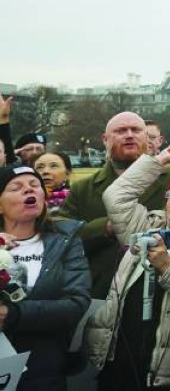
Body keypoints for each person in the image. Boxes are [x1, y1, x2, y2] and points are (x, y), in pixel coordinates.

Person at [87, 144, 170, 390]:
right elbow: (115, 197)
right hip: (119, 364)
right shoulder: (145, 229)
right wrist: (158, 161)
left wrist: (166, 266)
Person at [60, 111, 170, 298]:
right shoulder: (84, 188)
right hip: (101, 291)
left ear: (148, 138)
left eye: (136, 130)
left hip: (163, 292)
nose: (129, 135)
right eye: (121, 130)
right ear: (105, 139)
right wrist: (106, 227)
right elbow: (62, 234)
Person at [0, 165, 91, 391]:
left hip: (43, 368)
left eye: (34, 186)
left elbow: (76, 304)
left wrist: (14, 315)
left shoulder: (65, 241)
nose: (28, 191)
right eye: (16, 187)